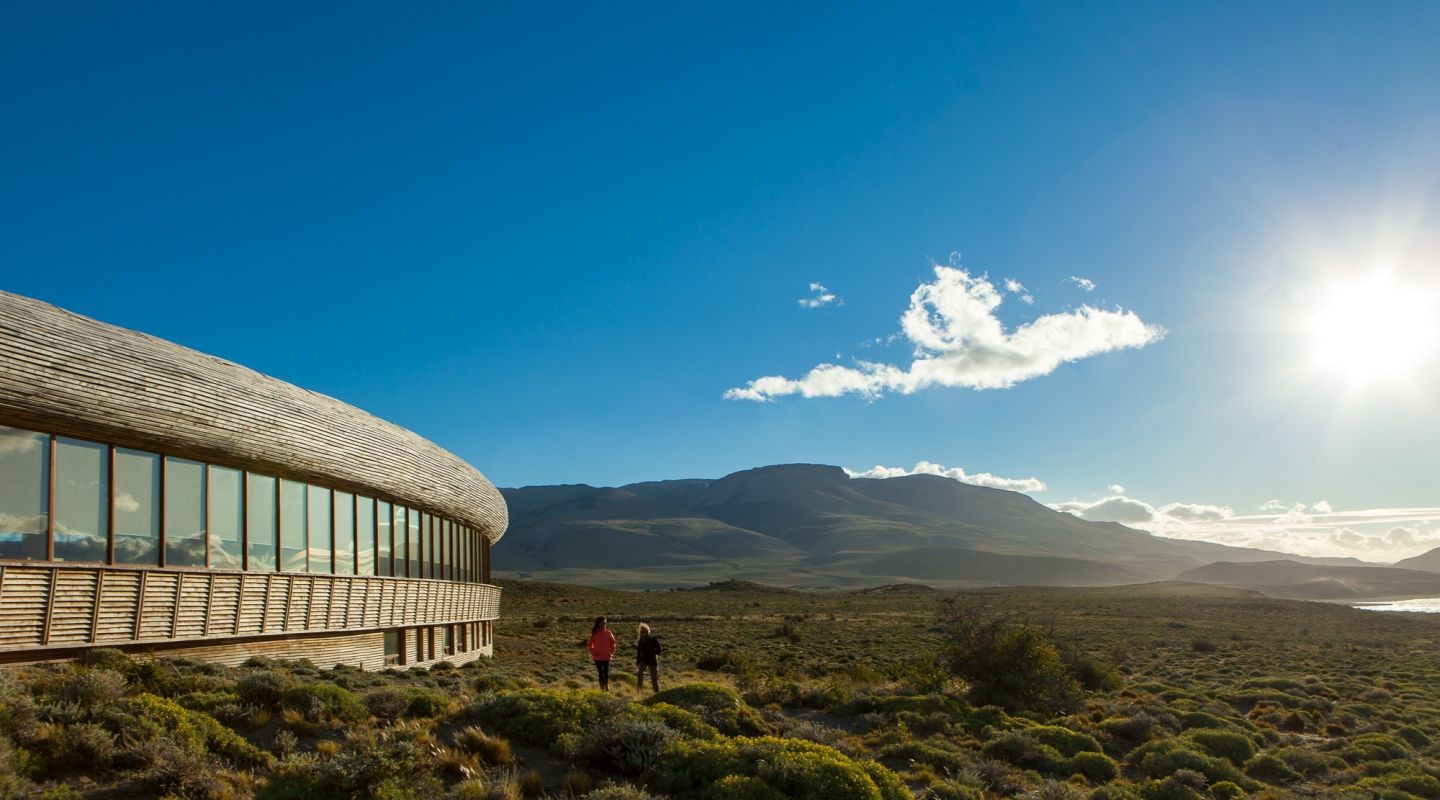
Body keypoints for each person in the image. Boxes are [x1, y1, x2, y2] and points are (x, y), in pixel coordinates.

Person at [587, 616, 617, 691]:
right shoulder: (595, 633)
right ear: (599, 623)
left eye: (605, 622)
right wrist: (593, 652)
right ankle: (601, 689)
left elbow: (613, 643)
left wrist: (611, 653)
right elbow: (589, 644)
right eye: (603, 622)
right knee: (600, 674)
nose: (604, 624)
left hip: (606, 657)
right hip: (597, 657)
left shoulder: (608, 632)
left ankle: (606, 688)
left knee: (606, 674)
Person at [636, 622, 662, 692]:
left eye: (645, 631)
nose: (643, 633)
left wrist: (652, 651)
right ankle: (639, 691)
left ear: (648, 631)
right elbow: (638, 652)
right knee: (639, 673)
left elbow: (659, 651)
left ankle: (657, 693)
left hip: (652, 660)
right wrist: (638, 663)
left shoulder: (653, 639)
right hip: (643, 660)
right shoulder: (640, 640)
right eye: (642, 631)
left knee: (654, 678)